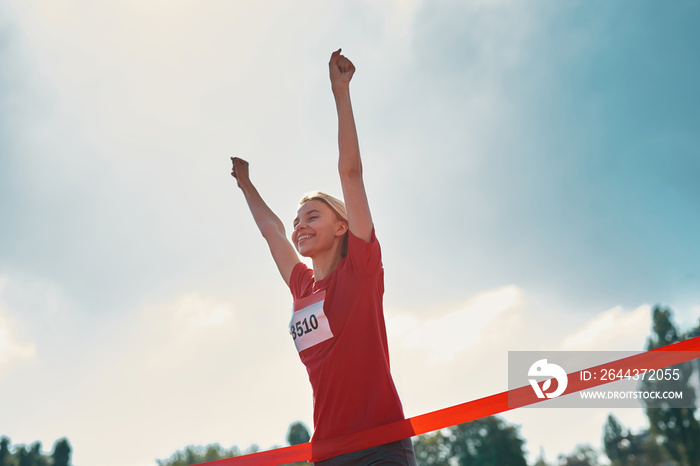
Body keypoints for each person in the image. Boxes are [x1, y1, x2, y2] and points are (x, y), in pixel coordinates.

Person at [231, 49, 416, 465]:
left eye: (312, 216)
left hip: (379, 447)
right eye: (298, 220)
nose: (299, 226)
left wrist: (340, 92)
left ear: (341, 227)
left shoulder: (361, 269)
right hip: (328, 453)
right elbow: (271, 231)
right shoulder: (301, 286)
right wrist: (246, 185)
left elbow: (350, 173)